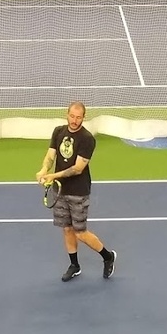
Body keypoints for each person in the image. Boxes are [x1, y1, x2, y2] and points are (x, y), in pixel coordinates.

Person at [36, 102, 116, 282]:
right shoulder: (58, 131)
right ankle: (75, 265)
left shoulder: (87, 139)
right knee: (67, 229)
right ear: (67, 114)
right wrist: (43, 170)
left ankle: (108, 256)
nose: (74, 120)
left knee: (80, 232)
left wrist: (52, 175)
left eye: (78, 117)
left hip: (78, 191)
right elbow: (50, 155)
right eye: (72, 116)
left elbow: (78, 168)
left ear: (83, 118)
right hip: (60, 190)